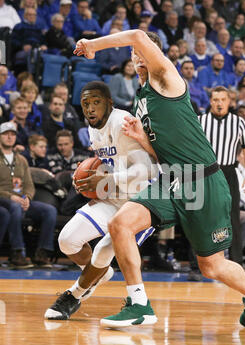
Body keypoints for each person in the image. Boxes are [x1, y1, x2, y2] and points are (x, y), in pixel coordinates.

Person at [74, 30, 245, 328]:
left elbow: (138, 35)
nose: (138, 54)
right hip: (171, 180)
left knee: (211, 265)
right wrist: (143, 139)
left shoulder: (167, 77)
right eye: (134, 52)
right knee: (120, 224)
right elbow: (162, 153)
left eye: (144, 50)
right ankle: (139, 304)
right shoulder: (142, 98)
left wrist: (93, 45)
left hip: (204, 182)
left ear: (156, 54)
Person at [44, 81, 158, 320]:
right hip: (113, 196)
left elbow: (146, 169)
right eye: (86, 103)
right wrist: (87, 177)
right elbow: (109, 163)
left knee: (104, 250)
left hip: (142, 201)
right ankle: (98, 273)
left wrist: (107, 181)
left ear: (110, 102)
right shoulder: (94, 127)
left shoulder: (122, 122)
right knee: (67, 241)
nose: (90, 108)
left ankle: (73, 295)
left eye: (96, 102)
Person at [199, 86, 245, 272]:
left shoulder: (238, 122)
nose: (219, 103)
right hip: (206, 172)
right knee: (202, 217)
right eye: (216, 100)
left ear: (229, 102)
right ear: (210, 102)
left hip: (229, 172)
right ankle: (198, 262)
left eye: (223, 99)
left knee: (233, 217)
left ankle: (237, 261)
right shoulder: (201, 121)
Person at [0, 121, 57, 269]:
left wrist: (27, 198)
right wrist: (10, 196)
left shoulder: (21, 160)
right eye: (5, 134)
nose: (9, 137)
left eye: (12, 134)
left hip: (20, 200)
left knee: (49, 210)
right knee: (14, 206)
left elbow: (29, 185)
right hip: (4, 199)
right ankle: (17, 252)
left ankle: (42, 253)